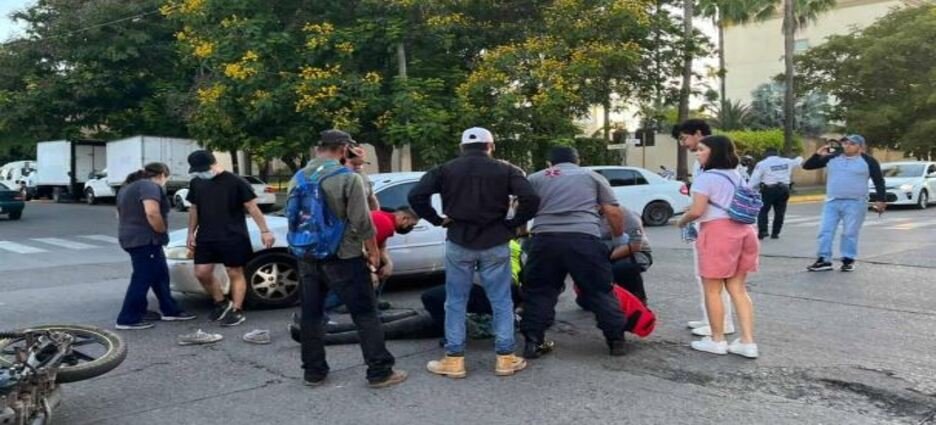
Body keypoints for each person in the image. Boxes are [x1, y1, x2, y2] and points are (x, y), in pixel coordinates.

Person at [408, 127, 539, 379]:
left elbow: (416, 195)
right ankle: (505, 358)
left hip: (459, 240)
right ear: (491, 146)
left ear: (461, 147)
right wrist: (513, 224)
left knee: (455, 301)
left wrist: (437, 220)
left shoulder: (444, 170)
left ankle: (454, 359)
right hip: (495, 240)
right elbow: (531, 197)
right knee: (501, 300)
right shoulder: (507, 169)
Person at [292, 129, 407, 388]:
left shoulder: (298, 177)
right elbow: (362, 221)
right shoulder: (348, 178)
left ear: (319, 148)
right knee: (365, 314)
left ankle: (313, 371)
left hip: (307, 254)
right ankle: (379, 371)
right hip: (343, 255)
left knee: (311, 314)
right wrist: (374, 252)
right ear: (344, 149)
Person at [520, 146, 629, 358]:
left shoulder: (535, 178)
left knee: (539, 291)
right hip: (584, 239)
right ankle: (616, 341)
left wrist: (523, 233)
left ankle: (533, 342)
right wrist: (618, 238)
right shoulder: (592, 176)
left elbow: (523, 209)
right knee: (599, 290)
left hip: (545, 240)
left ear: (550, 163)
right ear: (577, 160)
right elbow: (613, 211)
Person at [676, 135, 760, 359]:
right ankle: (747, 342)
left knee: (712, 290)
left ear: (714, 152)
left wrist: (682, 221)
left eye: (702, 149)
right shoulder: (736, 175)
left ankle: (717, 340)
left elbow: (697, 211)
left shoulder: (705, 178)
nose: (697, 153)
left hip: (718, 233)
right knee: (738, 289)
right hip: (745, 231)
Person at [186, 150, 275, 327]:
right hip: (206, 235)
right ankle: (221, 302)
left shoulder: (236, 181)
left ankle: (237, 309)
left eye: (203, 169)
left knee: (234, 272)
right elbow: (194, 209)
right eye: (197, 170)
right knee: (201, 272)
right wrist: (190, 233)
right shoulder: (196, 182)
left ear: (213, 164)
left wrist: (265, 231)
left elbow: (252, 207)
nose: (201, 173)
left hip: (233, 234)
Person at [115, 163, 196, 330]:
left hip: (132, 237)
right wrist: (161, 231)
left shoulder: (127, 187)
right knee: (142, 277)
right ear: (162, 175)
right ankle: (128, 318)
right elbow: (152, 212)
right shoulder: (149, 186)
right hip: (146, 239)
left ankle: (170, 309)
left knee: (160, 275)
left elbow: (119, 214)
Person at [674, 119, 735, 338]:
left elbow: (708, 199)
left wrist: (686, 218)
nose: (684, 144)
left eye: (684, 138)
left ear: (698, 133)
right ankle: (710, 317)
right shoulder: (712, 162)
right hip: (715, 223)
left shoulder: (710, 164)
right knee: (707, 277)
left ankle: (720, 323)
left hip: (714, 226)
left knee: (712, 278)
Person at [803, 135, 886, 272]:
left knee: (849, 233)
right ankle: (824, 260)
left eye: (852, 144)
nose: (847, 146)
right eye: (845, 143)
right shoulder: (832, 158)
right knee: (825, 231)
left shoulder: (868, 161)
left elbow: (879, 181)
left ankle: (848, 259)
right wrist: (818, 154)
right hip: (832, 201)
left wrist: (881, 199)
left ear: (861, 147)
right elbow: (807, 166)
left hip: (856, 202)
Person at [749, 148, 803, 240]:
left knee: (763, 210)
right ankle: (775, 233)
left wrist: (749, 190)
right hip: (784, 189)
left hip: (769, 189)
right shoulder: (786, 161)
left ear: (766, 154)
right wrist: (799, 157)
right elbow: (798, 161)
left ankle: (763, 231)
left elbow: (754, 179)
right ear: (777, 154)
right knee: (780, 212)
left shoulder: (762, 163)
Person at [602, 206, 652, 304]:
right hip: (603, 252)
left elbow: (635, 245)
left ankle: (638, 299)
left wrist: (605, 259)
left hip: (633, 252)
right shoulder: (587, 216)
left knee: (622, 267)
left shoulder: (625, 214)